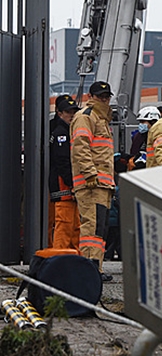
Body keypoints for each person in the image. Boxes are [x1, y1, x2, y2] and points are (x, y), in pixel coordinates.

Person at [70, 81, 115, 277]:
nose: (104, 100)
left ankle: (95, 267)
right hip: (92, 183)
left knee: (99, 228)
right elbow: (80, 147)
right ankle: (90, 269)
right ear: (91, 97)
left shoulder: (100, 119)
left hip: (101, 183)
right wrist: (89, 173)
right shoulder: (86, 117)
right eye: (100, 96)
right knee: (92, 226)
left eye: (106, 97)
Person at [49, 94, 80, 250]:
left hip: (68, 187)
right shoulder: (61, 133)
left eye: (74, 112)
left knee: (73, 226)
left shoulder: (64, 130)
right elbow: (62, 161)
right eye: (68, 112)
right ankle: (60, 256)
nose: (72, 115)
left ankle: (71, 257)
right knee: (65, 224)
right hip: (64, 188)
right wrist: (72, 182)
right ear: (60, 113)